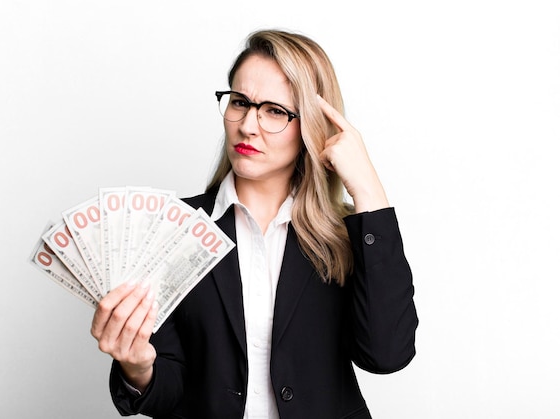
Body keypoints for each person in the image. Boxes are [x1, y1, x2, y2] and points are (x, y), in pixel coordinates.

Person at [91, 29, 418, 419]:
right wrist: (139, 367)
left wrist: (368, 190)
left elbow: (386, 354)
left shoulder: (349, 236)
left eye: (274, 111)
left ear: (312, 125)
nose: (248, 125)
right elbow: (169, 391)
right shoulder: (173, 228)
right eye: (240, 102)